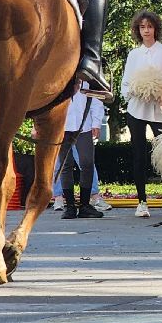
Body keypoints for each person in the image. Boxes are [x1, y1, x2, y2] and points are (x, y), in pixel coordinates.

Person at [121, 9, 162, 217]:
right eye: (142, 27)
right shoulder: (134, 54)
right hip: (137, 108)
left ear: (156, 28)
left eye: (150, 26)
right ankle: (142, 202)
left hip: (161, 110)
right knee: (139, 155)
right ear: (138, 30)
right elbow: (125, 84)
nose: (146, 31)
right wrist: (137, 91)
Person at [58, 83, 105, 220]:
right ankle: (70, 206)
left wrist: (96, 122)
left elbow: (96, 99)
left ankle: (84, 205)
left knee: (87, 163)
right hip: (63, 126)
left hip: (84, 125)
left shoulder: (87, 77)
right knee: (65, 165)